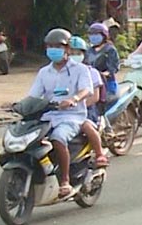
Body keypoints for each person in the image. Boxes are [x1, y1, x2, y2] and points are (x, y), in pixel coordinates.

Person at [27, 29, 96, 197]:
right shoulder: (44, 72)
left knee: (58, 138)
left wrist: (74, 99)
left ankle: (64, 181)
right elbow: (34, 95)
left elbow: (87, 90)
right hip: (48, 117)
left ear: (67, 49)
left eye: (58, 46)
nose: (54, 49)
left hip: (72, 116)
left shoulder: (80, 69)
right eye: (50, 46)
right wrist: (21, 105)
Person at [68, 36, 110, 168]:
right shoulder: (61, 72)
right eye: (71, 53)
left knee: (86, 126)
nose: (74, 56)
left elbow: (94, 97)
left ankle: (99, 154)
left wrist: (75, 105)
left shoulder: (92, 73)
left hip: (86, 110)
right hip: (62, 109)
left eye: (78, 53)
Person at [86, 21, 120, 99]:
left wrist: (103, 74)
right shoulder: (89, 50)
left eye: (96, 34)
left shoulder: (110, 49)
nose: (93, 37)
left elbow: (113, 68)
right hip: (91, 83)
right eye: (91, 34)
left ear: (104, 35)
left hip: (107, 83)